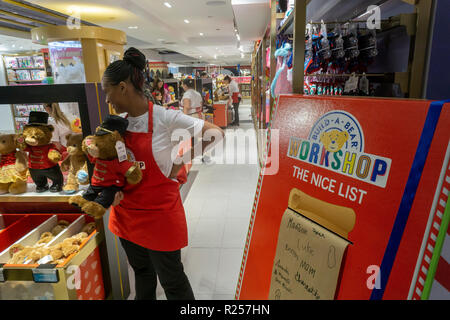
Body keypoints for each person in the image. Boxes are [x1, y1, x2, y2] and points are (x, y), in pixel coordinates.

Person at [102, 47, 224, 300]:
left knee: (173, 281)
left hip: (160, 216)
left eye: (107, 91)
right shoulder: (116, 124)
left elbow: (215, 133)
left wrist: (181, 160)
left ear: (122, 87)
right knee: (142, 274)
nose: (107, 99)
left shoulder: (164, 117)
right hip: (126, 215)